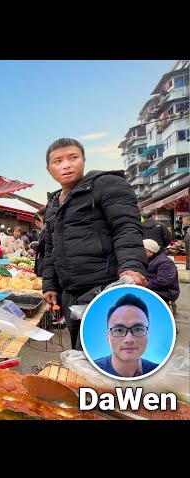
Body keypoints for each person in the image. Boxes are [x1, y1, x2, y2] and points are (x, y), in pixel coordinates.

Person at [42, 138, 148, 351]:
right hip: (70, 291)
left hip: (102, 288)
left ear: (83, 160)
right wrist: (50, 284)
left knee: (102, 353)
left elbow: (125, 227)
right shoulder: (53, 203)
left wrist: (131, 266)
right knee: (79, 351)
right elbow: (51, 247)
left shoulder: (106, 184)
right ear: (49, 169)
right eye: (58, 161)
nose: (67, 165)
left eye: (73, 158)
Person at [94, 293, 159, 378]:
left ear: (148, 335)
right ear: (108, 337)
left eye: (138, 329)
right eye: (119, 330)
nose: (129, 339)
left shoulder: (160, 374)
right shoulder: (89, 373)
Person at [143, 239, 180, 303]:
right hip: (152, 287)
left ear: (151, 252)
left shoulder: (165, 262)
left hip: (166, 291)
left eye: (142, 251)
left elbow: (163, 282)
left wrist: (145, 284)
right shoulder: (147, 259)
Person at [29, 208, 46, 277]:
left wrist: (33, 245)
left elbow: (41, 246)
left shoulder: (46, 230)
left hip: (44, 263)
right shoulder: (44, 231)